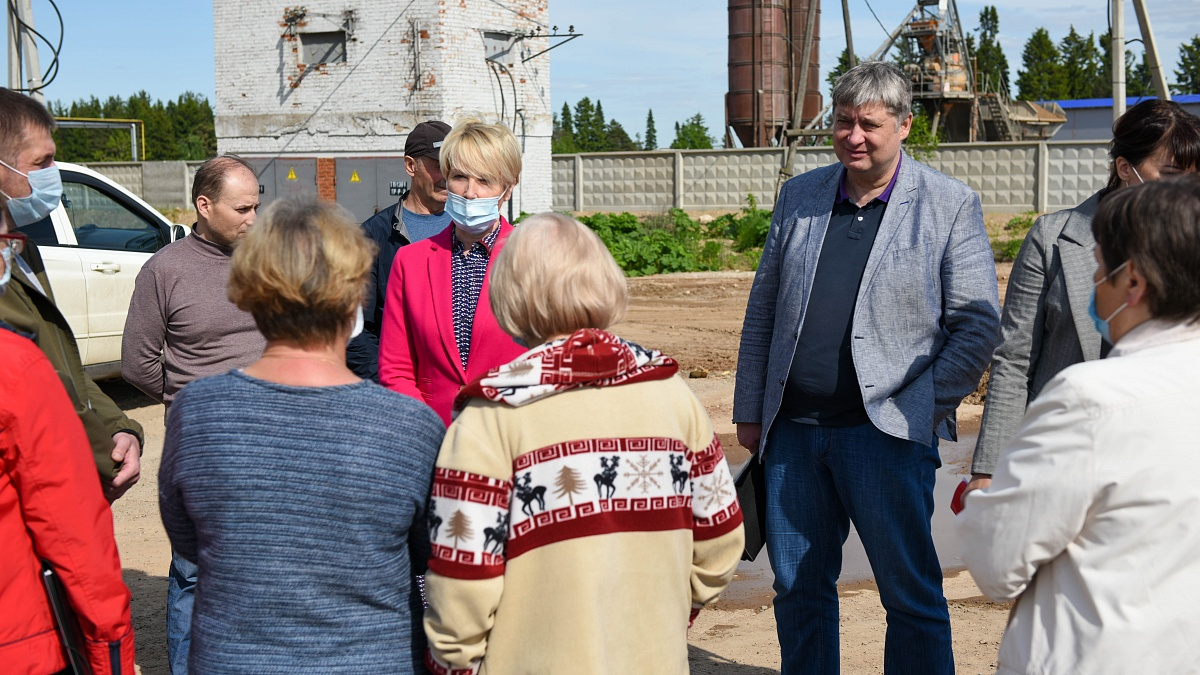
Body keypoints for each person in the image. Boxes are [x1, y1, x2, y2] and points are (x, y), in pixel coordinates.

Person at [733, 61, 1001, 674]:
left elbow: (978, 325)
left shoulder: (948, 205)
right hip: (794, 433)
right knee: (798, 586)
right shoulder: (801, 195)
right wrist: (750, 411)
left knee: (909, 593)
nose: (854, 135)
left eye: (870, 124)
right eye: (844, 121)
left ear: (905, 125)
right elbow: (763, 312)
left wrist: (924, 404)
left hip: (886, 437)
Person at [423, 212, 744, 674]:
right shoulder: (673, 394)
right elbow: (720, 545)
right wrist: (665, 618)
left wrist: (457, 663)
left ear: (509, 293)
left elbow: (462, 581)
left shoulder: (491, 415)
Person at [158, 195, 444, 674]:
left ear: (248, 290)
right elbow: (425, 554)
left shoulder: (197, 413)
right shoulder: (410, 427)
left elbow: (188, 539)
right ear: (355, 294)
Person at [956, 175, 1200, 674]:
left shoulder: (1087, 399)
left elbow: (997, 566)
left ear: (1132, 283)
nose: (1093, 280)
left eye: (1099, 267)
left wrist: (980, 499)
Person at [968, 99, 1200, 490]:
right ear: (1125, 168)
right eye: (1171, 173)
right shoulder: (1054, 238)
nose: (1184, 191)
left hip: (1166, 455)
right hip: (1063, 454)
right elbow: (1014, 359)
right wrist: (990, 469)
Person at [121, 154, 266, 674]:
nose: (253, 218)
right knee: (193, 572)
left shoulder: (266, 260)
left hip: (271, 439)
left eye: (256, 205)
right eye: (241, 208)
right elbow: (137, 363)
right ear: (204, 206)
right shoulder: (166, 270)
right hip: (203, 448)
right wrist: (189, 399)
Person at [0, 191, 137, 675]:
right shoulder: (15, 370)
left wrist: (120, 425)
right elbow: (74, 538)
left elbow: (72, 374)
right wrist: (109, 659)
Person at [0, 87, 144, 503]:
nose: (53, 177)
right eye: (41, 163)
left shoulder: (24, 251)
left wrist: (119, 427)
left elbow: (65, 369)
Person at [378, 119, 526, 424]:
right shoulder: (410, 262)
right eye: (459, 177)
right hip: (432, 434)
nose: (470, 192)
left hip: (512, 436)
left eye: (485, 180)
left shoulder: (534, 258)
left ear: (507, 189)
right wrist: (425, 428)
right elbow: (396, 368)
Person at [348, 120, 453, 381]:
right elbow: (356, 329)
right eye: (438, 165)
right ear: (410, 166)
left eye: (454, 164)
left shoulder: (469, 231)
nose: (447, 175)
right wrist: (392, 384)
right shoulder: (373, 236)